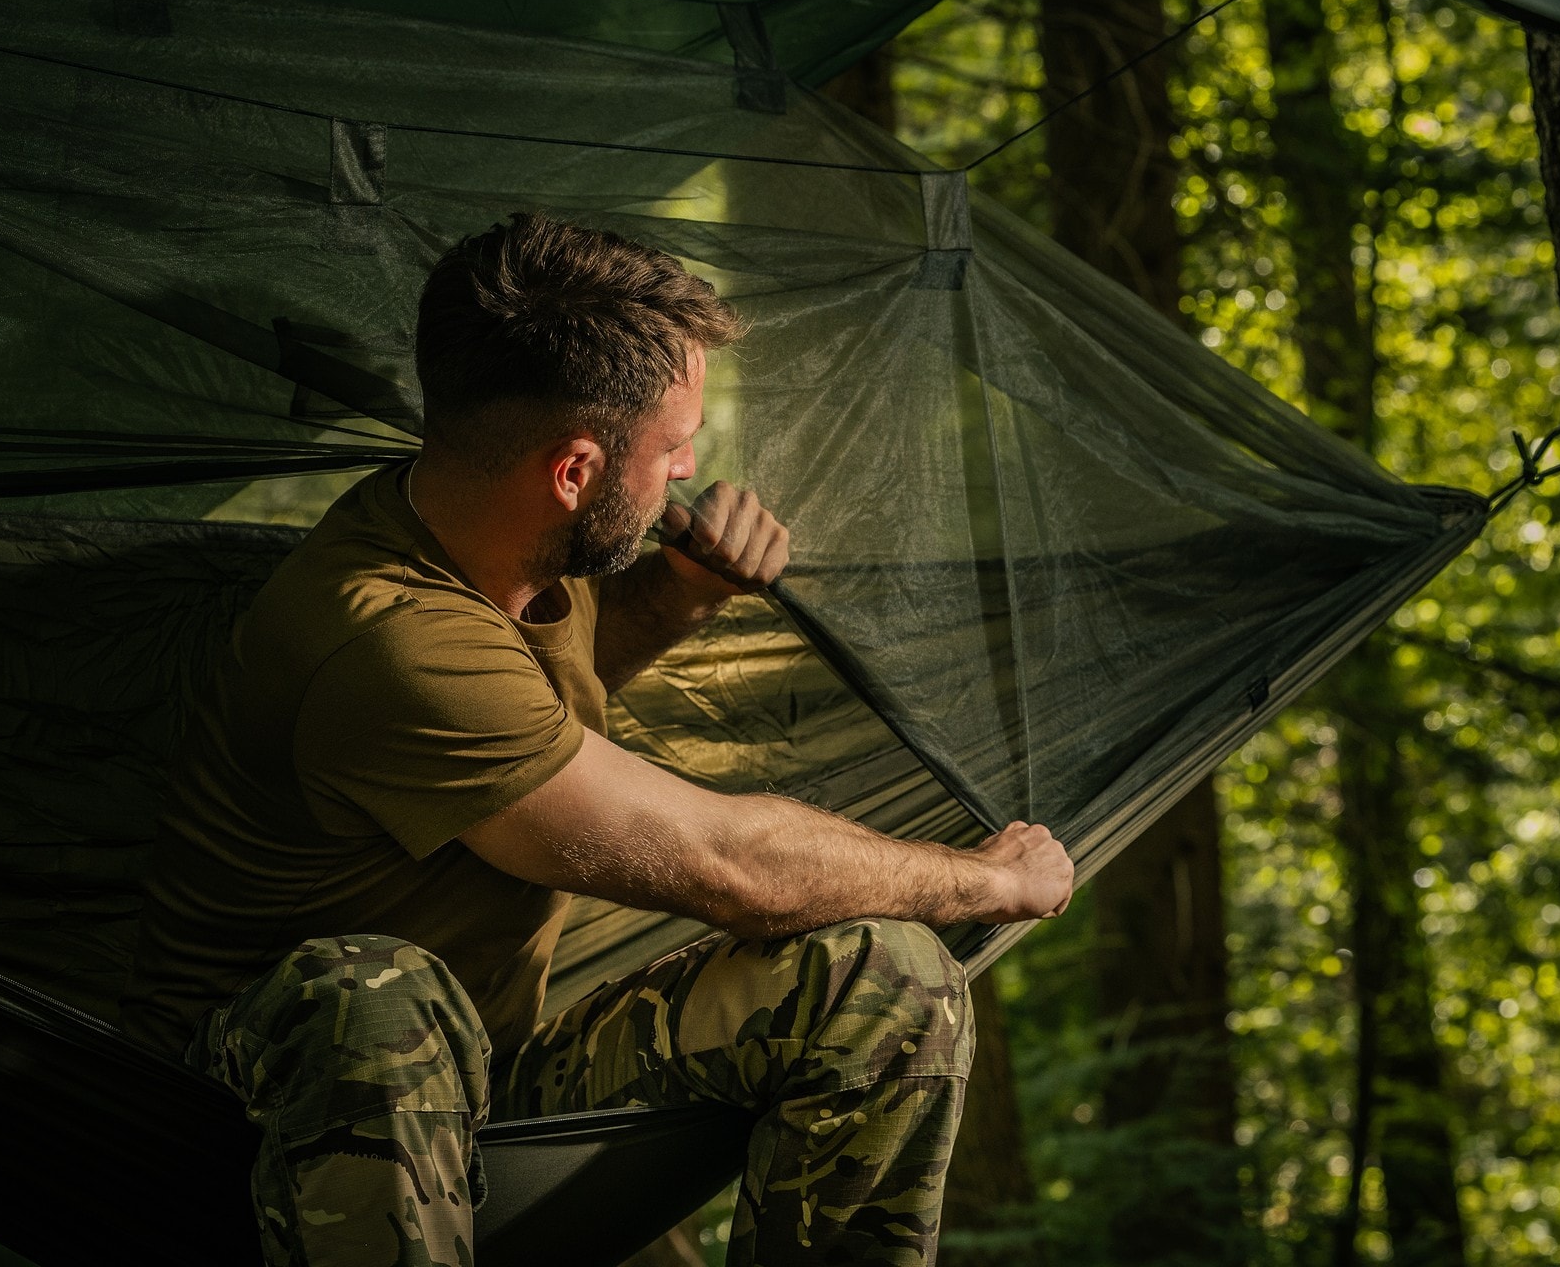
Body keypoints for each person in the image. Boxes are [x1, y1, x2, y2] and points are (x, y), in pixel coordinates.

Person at [119, 212, 1075, 1267]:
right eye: (672, 446)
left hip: (490, 1074)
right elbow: (732, 867)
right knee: (375, 993)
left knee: (884, 981)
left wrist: (686, 589)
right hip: (259, 1105)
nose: (690, 469)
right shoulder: (385, 638)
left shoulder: (502, 538)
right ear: (574, 471)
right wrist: (992, 879)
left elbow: (524, 698)